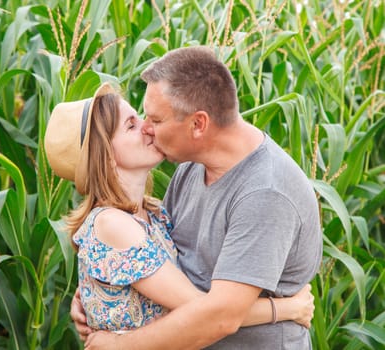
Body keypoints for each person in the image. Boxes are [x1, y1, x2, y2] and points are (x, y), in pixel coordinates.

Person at [73, 46, 323, 349]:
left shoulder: (265, 193)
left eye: (155, 119)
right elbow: (166, 268)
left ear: (198, 124)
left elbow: (219, 316)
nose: (148, 129)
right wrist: (98, 292)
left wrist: (120, 345)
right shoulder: (190, 167)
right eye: (138, 121)